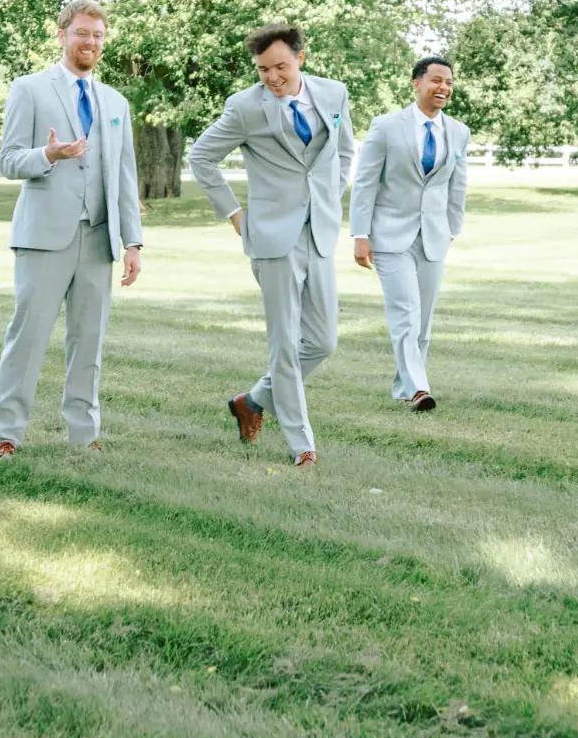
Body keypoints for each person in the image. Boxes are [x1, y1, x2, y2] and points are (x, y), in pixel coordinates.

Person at [188, 23, 353, 466]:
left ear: (301, 57)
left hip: (318, 232)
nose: (272, 77)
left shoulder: (335, 95)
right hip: (271, 238)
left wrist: (327, 199)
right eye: (263, 70)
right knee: (284, 343)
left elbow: (344, 153)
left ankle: (253, 400)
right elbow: (201, 156)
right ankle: (303, 445)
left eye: (280, 66)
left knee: (322, 342)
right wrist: (234, 213)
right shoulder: (244, 107)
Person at [0, 0, 145, 458]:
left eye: (97, 36)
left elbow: (124, 175)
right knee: (28, 337)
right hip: (43, 237)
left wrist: (132, 241)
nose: (90, 43)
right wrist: (49, 157)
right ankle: (5, 436)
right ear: (62, 35)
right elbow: (9, 160)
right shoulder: (30, 89)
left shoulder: (115, 101)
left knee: (89, 340)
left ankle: (83, 434)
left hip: (99, 238)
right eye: (81, 33)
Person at [348, 55, 468, 411]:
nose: (443, 87)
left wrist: (452, 229)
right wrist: (360, 234)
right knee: (406, 311)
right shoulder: (386, 126)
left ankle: (405, 387)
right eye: (435, 80)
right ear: (416, 83)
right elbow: (365, 182)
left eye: (448, 81)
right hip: (388, 236)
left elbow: (457, 185)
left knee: (424, 319)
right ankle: (419, 388)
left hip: (433, 237)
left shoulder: (459, 132)